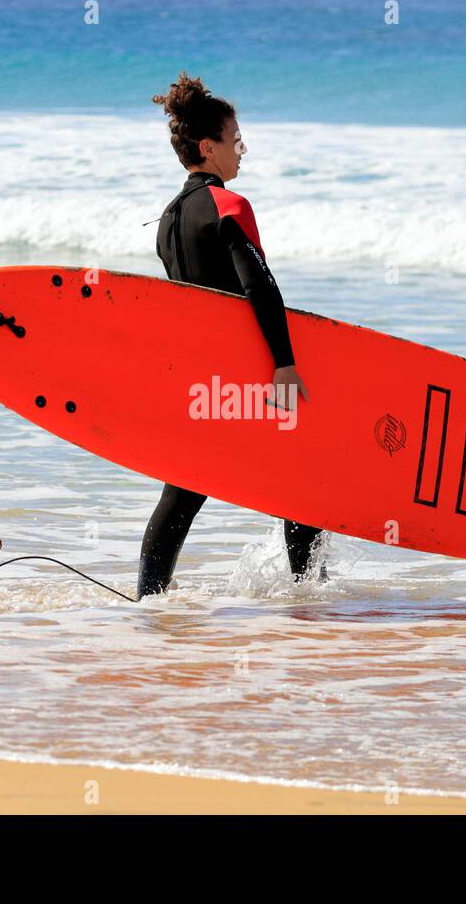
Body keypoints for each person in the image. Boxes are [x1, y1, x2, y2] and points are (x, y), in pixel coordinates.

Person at [138, 72, 324, 600]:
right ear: (207, 146)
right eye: (233, 139)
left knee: (184, 487)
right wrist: (284, 364)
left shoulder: (168, 219)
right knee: (302, 482)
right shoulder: (228, 205)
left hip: (200, 378)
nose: (240, 150)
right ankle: (309, 596)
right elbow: (260, 289)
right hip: (249, 372)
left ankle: (149, 599)